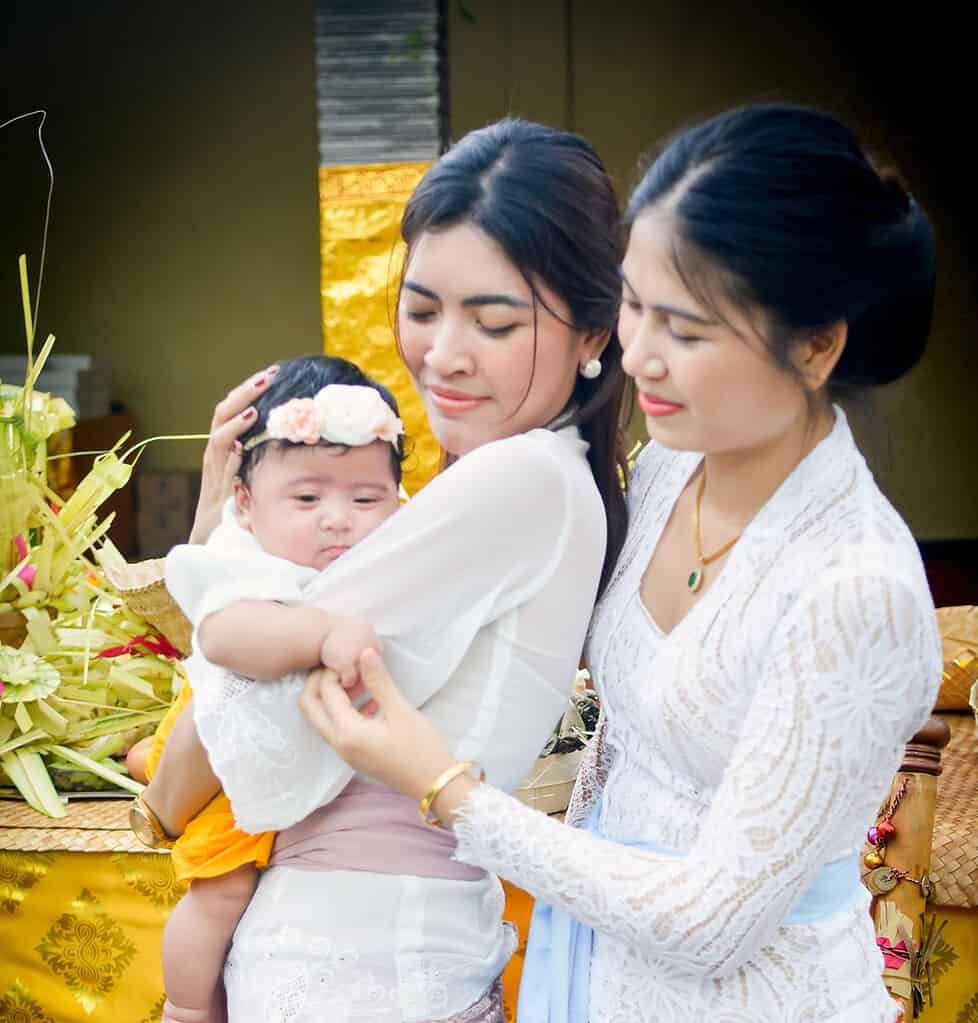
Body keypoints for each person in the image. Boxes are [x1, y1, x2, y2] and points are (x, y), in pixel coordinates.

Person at [299, 103, 943, 1023]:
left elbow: (714, 924)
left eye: (686, 329)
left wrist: (444, 786)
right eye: (634, 306)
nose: (636, 354)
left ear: (815, 344)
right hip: (598, 972)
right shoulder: (673, 466)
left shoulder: (856, 588)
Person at [145, 119, 629, 1022]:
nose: (443, 355)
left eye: (494, 322)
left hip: (359, 964)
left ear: (593, 330)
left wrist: (220, 550)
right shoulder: (544, 478)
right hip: (383, 955)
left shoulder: (519, 479)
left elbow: (204, 749)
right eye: (422, 309)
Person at [136, 354, 405, 1023]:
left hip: (298, 773)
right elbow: (226, 640)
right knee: (222, 890)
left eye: (366, 499)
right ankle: (186, 1007)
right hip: (230, 751)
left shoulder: (392, 554)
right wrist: (322, 634)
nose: (337, 518)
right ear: (246, 503)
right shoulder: (241, 560)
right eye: (308, 499)